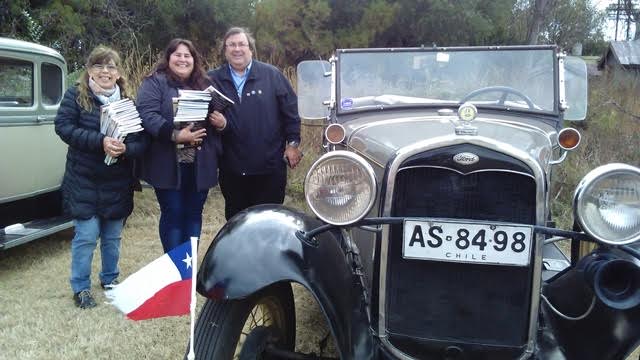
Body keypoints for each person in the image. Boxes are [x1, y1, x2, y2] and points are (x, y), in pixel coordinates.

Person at [55, 46, 147, 309]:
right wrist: (101, 141)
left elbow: (141, 142)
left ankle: (110, 280)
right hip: (83, 179)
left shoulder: (128, 103)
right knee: (86, 235)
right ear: (89, 70)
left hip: (116, 181)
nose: (105, 71)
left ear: (118, 74)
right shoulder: (76, 95)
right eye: (99, 66)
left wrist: (125, 149)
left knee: (112, 236)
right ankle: (81, 288)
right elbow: (63, 127)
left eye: (111, 66)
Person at [137, 38, 226, 253]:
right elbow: (147, 116)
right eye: (178, 55)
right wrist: (176, 135)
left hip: (200, 163)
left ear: (194, 60)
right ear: (168, 58)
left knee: (194, 214)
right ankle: (172, 270)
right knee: (173, 213)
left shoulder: (206, 84)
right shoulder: (155, 82)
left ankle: (189, 269)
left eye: (188, 55)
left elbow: (221, 115)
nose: (183, 59)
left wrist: (223, 123)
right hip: (167, 163)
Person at [209, 27, 302, 220]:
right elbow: (201, 117)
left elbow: (291, 113)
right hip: (232, 169)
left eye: (241, 44)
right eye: (231, 45)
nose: (237, 49)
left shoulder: (272, 75)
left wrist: (293, 144)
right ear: (225, 51)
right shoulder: (212, 79)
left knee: (269, 223)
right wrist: (221, 125)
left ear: (250, 49)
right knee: (237, 224)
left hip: (269, 168)